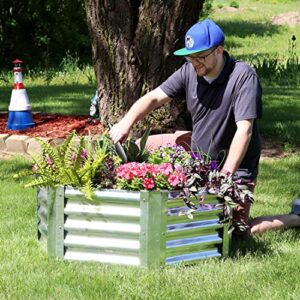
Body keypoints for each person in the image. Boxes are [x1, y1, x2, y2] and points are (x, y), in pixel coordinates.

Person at [109, 19, 300, 235]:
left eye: (201, 56)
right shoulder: (189, 71)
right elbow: (154, 97)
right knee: (147, 151)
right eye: (190, 57)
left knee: (233, 231)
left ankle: (295, 217)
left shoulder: (243, 76)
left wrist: (226, 173)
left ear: (219, 50)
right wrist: (126, 122)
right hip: (200, 161)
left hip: (237, 168)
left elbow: (244, 130)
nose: (195, 62)